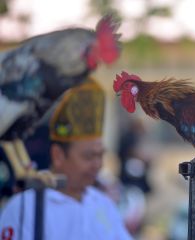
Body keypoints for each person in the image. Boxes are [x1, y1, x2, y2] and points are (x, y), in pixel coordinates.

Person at [0, 79, 133, 240]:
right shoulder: (26, 207)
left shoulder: (104, 205)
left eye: (100, 155)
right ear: (58, 156)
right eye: (88, 156)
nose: (97, 165)